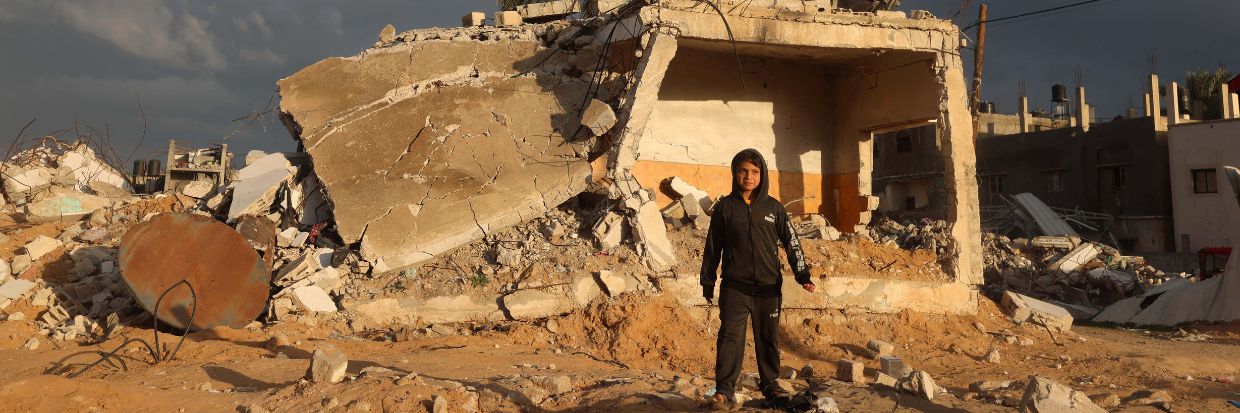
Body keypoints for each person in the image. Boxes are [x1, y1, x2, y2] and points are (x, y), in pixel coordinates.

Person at [701, 148, 814, 411]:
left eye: (754, 172)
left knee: (768, 337)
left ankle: (771, 384)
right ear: (734, 173)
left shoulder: (774, 208)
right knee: (730, 337)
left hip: (768, 289)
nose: (748, 177)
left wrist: (802, 274)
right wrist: (707, 280)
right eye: (743, 171)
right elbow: (712, 246)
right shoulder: (725, 209)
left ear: (761, 174)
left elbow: (792, 243)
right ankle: (724, 392)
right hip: (735, 288)